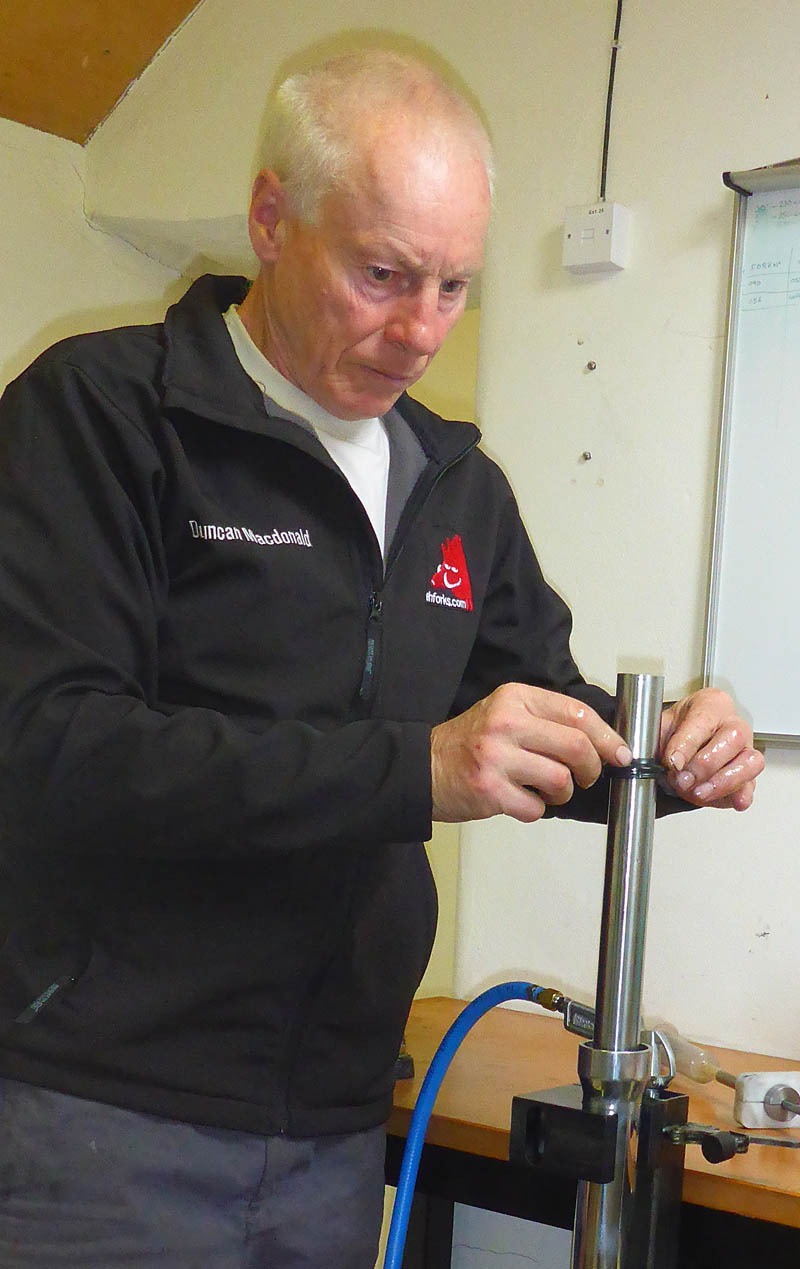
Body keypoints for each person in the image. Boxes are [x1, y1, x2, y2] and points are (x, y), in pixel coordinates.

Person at [0, 48, 763, 1269]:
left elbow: (540, 718)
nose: (419, 331)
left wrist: (668, 756)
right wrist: (415, 770)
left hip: (338, 1126)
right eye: (382, 275)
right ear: (270, 220)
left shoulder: (455, 488)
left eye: (454, 285)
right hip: (105, 1120)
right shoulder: (99, 417)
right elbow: (48, 747)